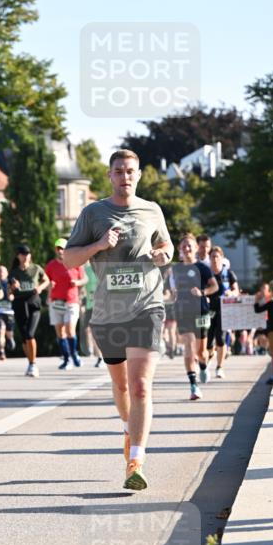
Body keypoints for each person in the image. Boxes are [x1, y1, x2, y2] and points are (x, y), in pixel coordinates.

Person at [63, 148, 173, 491]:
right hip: (109, 311)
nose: (125, 177)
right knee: (122, 385)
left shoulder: (152, 210)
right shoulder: (94, 212)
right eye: (119, 171)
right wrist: (98, 244)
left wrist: (163, 254)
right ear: (109, 176)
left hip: (147, 305)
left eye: (130, 171)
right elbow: (68, 259)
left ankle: (135, 461)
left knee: (140, 385)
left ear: (138, 175)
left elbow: (166, 247)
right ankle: (129, 429)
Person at [169, 234, 218, 400]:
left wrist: (203, 292)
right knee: (189, 349)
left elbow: (214, 286)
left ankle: (203, 366)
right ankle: (193, 385)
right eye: (183, 246)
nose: (186, 248)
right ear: (179, 249)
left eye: (189, 245)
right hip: (183, 312)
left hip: (201, 311)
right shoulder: (175, 269)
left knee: (201, 352)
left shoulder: (203, 268)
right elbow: (171, 290)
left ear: (196, 248)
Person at [8, 245, 49, 378]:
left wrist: (40, 288)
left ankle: (33, 364)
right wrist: (13, 288)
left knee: (30, 334)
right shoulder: (14, 272)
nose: (25, 256)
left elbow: (46, 280)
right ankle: (30, 362)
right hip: (19, 304)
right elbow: (9, 291)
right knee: (25, 337)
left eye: (28, 254)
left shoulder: (36, 268)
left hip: (33, 303)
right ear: (18, 256)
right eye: (23, 254)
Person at [45, 237, 86, 369]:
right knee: (60, 332)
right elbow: (46, 282)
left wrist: (77, 282)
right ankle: (66, 359)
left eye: (63, 248)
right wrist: (49, 289)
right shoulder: (51, 265)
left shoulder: (75, 263)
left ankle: (74, 354)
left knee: (69, 330)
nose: (60, 251)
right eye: (58, 248)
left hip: (71, 301)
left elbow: (85, 279)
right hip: (56, 302)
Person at [206, 245, 239, 379]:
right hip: (208, 310)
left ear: (221, 258)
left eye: (217, 256)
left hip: (224, 310)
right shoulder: (206, 274)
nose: (214, 259)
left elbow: (236, 290)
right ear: (209, 258)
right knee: (207, 340)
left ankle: (219, 367)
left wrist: (231, 292)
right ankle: (210, 354)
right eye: (212, 256)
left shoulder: (228, 273)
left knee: (220, 338)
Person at [80, 262, 103, 366]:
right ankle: (93, 352)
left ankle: (101, 356)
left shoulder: (102, 268)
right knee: (89, 329)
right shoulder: (86, 270)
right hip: (90, 305)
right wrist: (82, 302)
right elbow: (83, 287)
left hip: (101, 305)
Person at [0, 264, 15, 361]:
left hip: (10, 312)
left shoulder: (10, 282)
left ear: (7, 273)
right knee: (0, 331)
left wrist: (13, 296)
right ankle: (2, 352)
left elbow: (16, 292)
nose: (1, 273)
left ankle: (10, 339)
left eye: (3, 271)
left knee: (8, 334)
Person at [254, 281, 273, 384]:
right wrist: (257, 300)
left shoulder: (270, 303)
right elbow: (258, 309)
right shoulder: (270, 303)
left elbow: (257, 309)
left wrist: (256, 302)